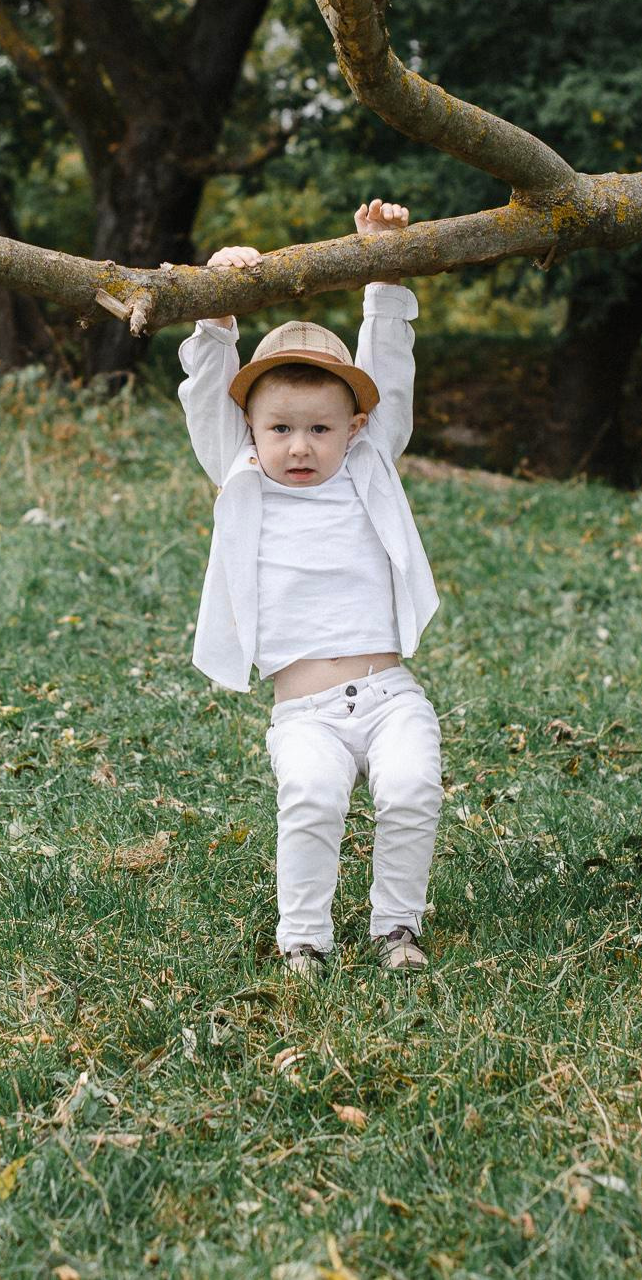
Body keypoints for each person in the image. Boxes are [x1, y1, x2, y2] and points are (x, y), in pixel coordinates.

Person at [177, 199, 444, 976]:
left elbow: (388, 370)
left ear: (354, 428)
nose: (299, 445)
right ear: (253, 431)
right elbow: (207, 397)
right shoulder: (243, 475)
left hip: (390, 692)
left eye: (321, 429)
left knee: (413, 789)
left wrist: (384, 268)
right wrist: (215, 314)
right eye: (281, 428)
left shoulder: (370, 463)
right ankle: (304, 938)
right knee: (313, 801)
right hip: (305, 711)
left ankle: (396, 927)